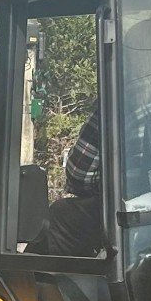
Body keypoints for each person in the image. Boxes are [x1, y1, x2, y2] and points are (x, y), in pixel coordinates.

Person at [28, 109, 105, 258]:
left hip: (133, 204)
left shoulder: (123, 98)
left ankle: (26, 278)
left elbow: (79, 173)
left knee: (61, 214)